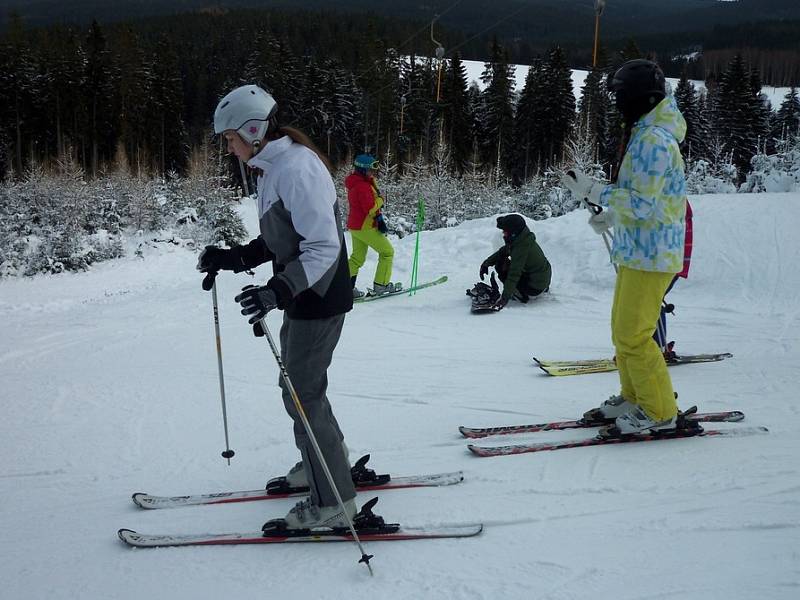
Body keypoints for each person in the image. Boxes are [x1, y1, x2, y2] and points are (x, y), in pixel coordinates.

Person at [196, 84, 359, 530]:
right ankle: (322, 460)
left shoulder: (296, 169)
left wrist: (278, 290)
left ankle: (335, 502)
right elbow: (281, 236)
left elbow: (323, 246)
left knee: (304, 393)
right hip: (306, 293)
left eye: (229, 139)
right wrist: (236, 258)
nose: (228, 149)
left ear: (253, 131)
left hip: (318, 296)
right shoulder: (273, 167)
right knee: (299, 390)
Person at [561, 59, 689, 436]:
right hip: (640, 249)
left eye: (620, 96)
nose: (617, 103)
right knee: (624, 331)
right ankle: (635, 396)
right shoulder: (646, 132)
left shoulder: (653, 140)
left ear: (638, 98)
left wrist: (593, 191)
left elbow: (642, 203)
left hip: (652, 253)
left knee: (635, 334)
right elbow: (643, 198)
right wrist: (612, 214)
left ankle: (659, 410)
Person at [345, 154, 402, 298]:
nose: (373, 172)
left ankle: (344, 288)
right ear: (363, 170)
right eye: (371, 169)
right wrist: (380, 200)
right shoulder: (362, 186)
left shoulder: (356, 182)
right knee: (387, 252)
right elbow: (369, 208)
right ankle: (381, 286)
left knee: (357, 258)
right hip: (365, 226)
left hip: (355, 226)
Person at [479, 214, 551, 311]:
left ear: (513, 232)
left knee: (501, 267)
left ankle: (521, 295)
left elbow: (514, 274)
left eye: (505, 231)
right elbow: (503, 251)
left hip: (536, 286)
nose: (503, 233)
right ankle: (539, 288)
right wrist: (486, 263)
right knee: (502, 260)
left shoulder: (521, 248)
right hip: (541, 279)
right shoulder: (522, 239)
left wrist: (504, 298)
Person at [654, 200, 693, 358]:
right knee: (652, 300)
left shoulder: (672, 198)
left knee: (650, 301)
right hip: (668, 261)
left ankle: (656, 347)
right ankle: (657, 345)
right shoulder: (673, 195)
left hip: (668, 262)